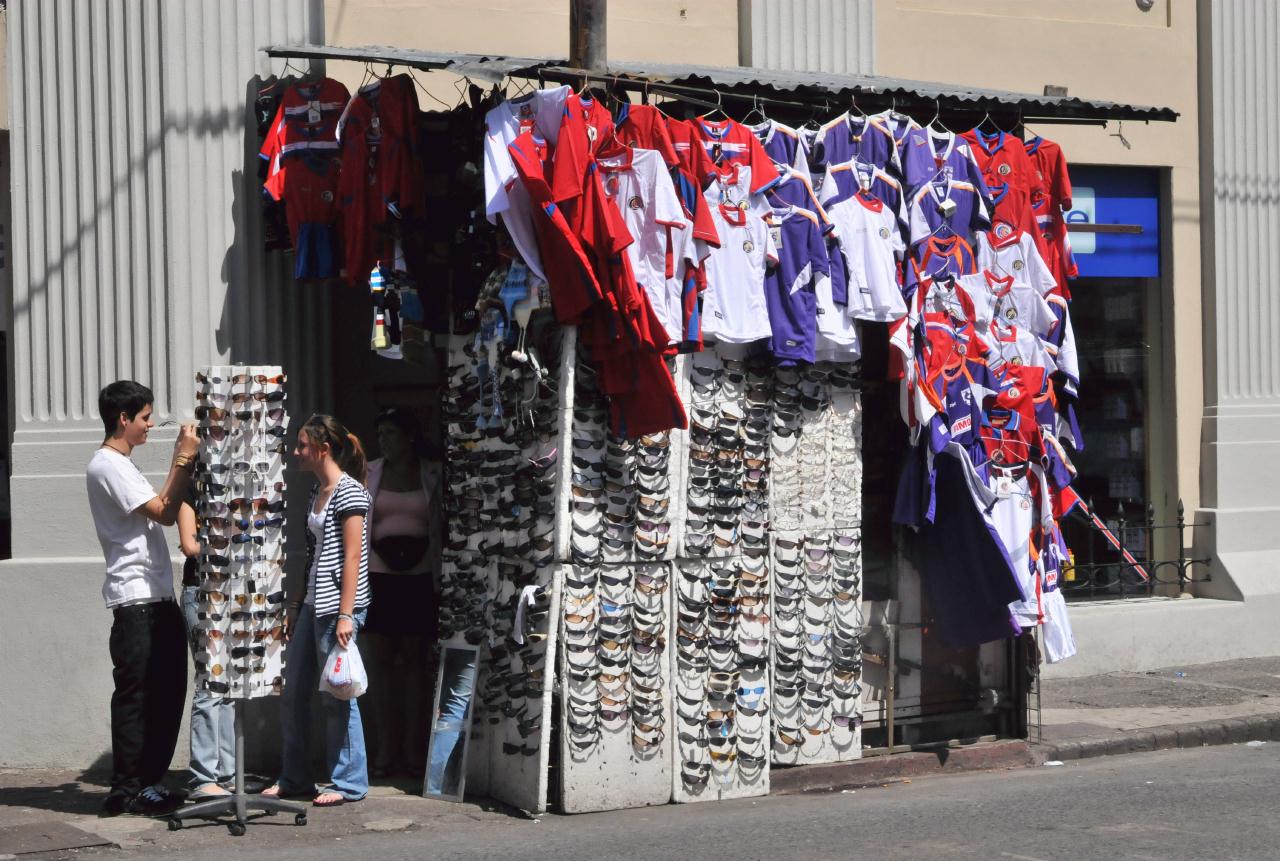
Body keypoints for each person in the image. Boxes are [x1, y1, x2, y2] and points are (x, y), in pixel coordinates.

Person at [86, 380, 199, 817]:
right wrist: (183, 458)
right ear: (123, 419)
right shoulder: (107, 465)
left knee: (167, 691)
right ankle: (127, 787)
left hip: (156, 595)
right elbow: (166, 512)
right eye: (146, 417)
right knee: (137, 695)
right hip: (135, 600)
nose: (150, 425)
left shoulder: (124, 465)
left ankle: (148, 782)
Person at [264, 414, 371, 807]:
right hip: (313, 603)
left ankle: (349, 782)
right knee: (293, 693)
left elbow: (352, 555)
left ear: (323, 449)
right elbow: (313, 554)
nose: (296, 451)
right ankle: (295, 777)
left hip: (336, 608)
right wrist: (295, 604)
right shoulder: (318, 492)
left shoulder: (350, 493)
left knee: (339, 694)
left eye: (303, 445)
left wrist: (346, 614)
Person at [362, 408, 442, 779]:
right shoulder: (370, 472)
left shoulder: (430, 472)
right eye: (381, 435)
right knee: (378, 665)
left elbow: (438, 525)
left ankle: (412, 748)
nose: (385, 442)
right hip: (379, 576)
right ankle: (384, 748)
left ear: (410, 436)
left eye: (392, 434)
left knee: (414, 664)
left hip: (419, 576)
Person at [176, 493, 234, 799]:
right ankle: (203, 776)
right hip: (201, 590)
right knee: (209, 682)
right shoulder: (190, 498)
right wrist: (231, 544)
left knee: (227, 686)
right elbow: (190, 546)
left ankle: (226, 771)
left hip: (229, 591)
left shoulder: (232, 493)